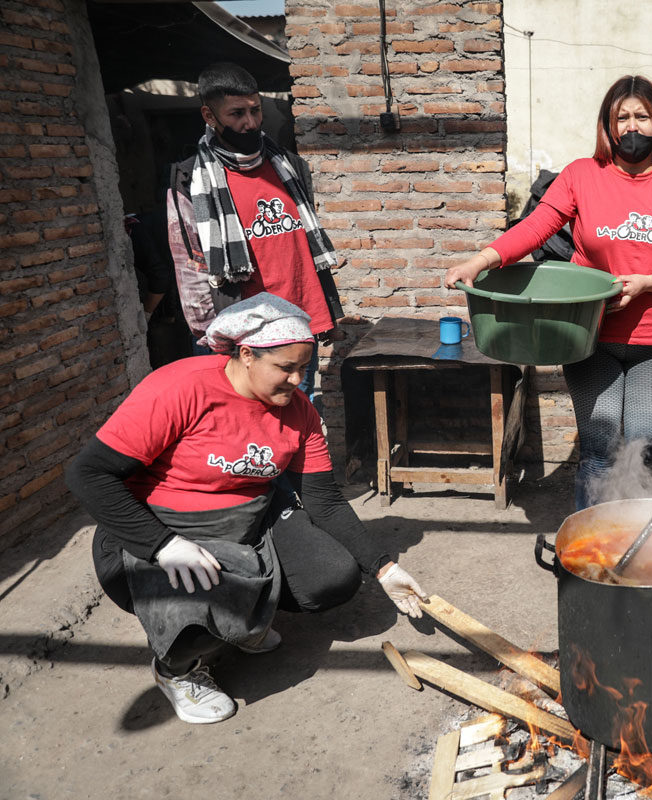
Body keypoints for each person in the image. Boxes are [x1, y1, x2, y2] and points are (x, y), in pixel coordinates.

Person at [66, 294, 426, 725]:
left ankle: (243, 626)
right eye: (285, 368)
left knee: (331, 577)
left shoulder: (300, 412)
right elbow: (88, 475)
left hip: (247, 519)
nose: (297, 380)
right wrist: (162, 546)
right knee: (195, 613)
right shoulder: (180, 387)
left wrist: (383, 568)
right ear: (247, 353)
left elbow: (323, 500)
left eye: (304, 369)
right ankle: (176, 670)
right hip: (160, 527)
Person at [444, 75, 652, 509]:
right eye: (620, 117)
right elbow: (534, 229)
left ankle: (637, 550)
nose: (631, 127)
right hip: (589, 337)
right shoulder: (581, 176)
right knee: (600, 451)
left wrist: (648, 284)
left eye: (642, 117)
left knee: (645, 450)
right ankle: (589, 557)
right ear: (607, 125)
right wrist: (481, 261)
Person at [166, 62, 342, 397]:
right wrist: (210, 338)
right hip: (242, 333)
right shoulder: (190, 181)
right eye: (236, 114)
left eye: (255, 110)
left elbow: (306, 247)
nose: (250, 123)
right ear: (209, 115)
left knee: (295, 423)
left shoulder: (289, 166)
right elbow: (190, 269)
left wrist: (327, 314)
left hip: (297, 322)